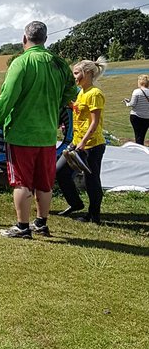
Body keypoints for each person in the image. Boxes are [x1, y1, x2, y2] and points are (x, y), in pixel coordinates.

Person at [0, 21, 77, 240]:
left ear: (24, 39)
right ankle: (41, 223)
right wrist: (56, 106)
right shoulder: (59, 63)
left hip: (21, 134)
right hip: (47, 134)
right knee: (45, 182)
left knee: (21, 182)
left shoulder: (21, 62)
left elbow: (8, 96)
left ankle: (22, 226)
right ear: (46, 39)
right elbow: (72, 91)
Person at [56, 58, 107, 225]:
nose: (74, 77)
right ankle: (76, 203)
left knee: (91, 179)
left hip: (92, 145)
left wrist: (83, 143)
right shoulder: (81, 92)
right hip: (77, 142)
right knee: (60, 171)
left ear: (89, 73)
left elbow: (94, 122)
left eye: (77, 73)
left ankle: (94, 215)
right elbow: (78, 110)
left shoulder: (95, 94)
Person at [124, 74, 149, 146]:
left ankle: (139, 149)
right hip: (147, 117)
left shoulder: (137, 91)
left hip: (136, 116)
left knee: (137, 135)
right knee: (142, 135)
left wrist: (127, 102)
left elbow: (132, 104)